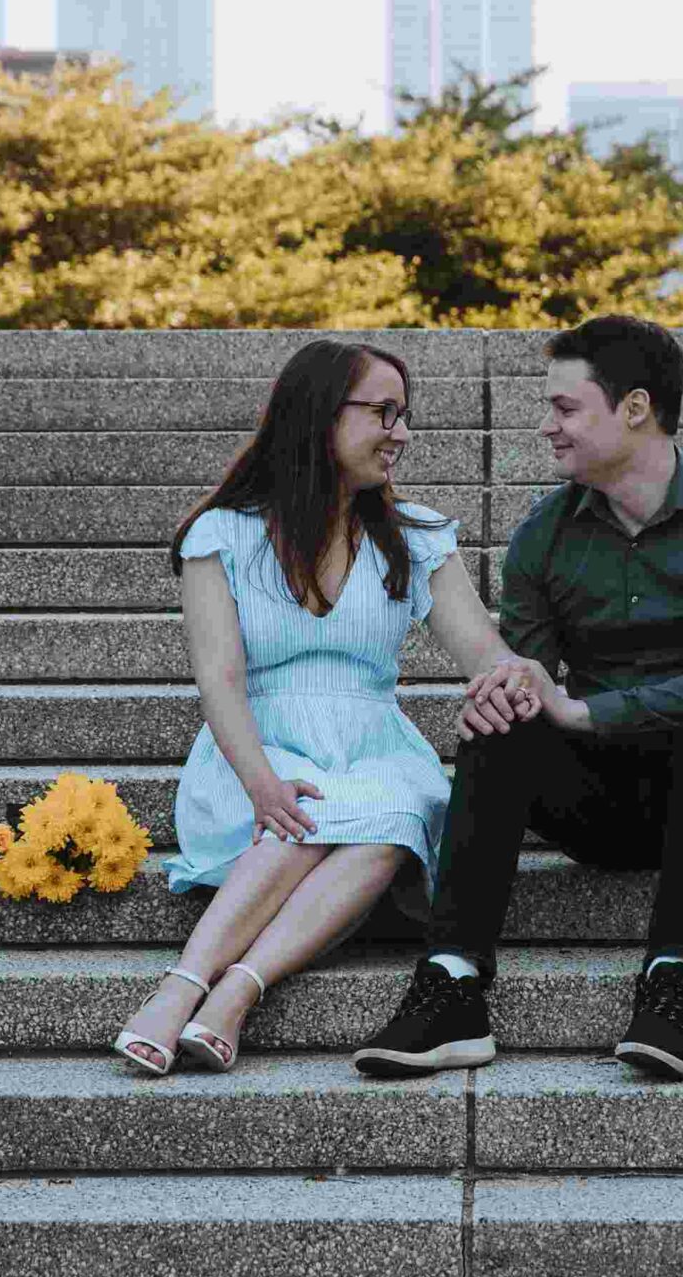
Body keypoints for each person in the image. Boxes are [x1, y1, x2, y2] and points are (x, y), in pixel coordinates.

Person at [352, 315, 683, 1082]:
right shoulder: (542, 537)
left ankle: (673, 976)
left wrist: (584, 710)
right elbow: (530, 675)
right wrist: (506, 695)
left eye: (565, 407)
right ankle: (453, 981)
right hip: (599, 803)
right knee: (499, 719)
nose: (547, 426)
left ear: (634, 408)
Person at [113, 339, 536, 1076]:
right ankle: (185, 986)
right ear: (319, 416)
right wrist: (261, 783)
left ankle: (234, 993)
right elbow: (220, 679)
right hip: (256, 749)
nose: (400, 433)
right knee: (305, 808)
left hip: (374, 748)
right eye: (383, 412)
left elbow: (483, 651)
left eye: (404, 415)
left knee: (396, 810)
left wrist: (512, 676)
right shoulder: (224, 533)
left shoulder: (417, 538)